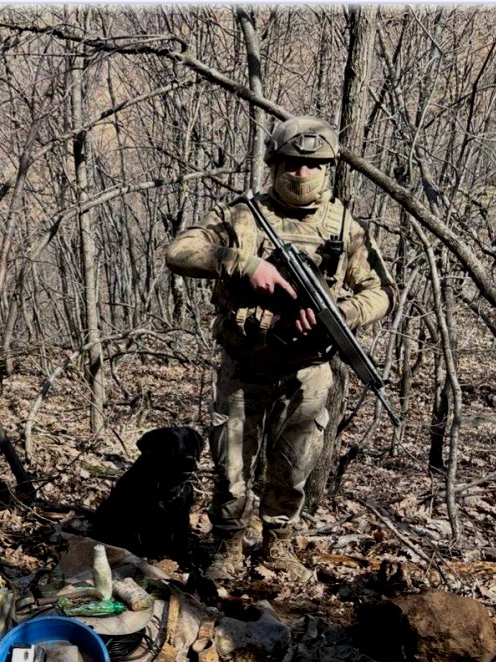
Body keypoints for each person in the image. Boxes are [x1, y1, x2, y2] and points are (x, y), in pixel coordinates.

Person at [165, 116, 396, 582]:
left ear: (328, 167)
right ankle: (227, 543)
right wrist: (241, 264)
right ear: (274, 163)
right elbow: (180, 251)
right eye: (291, 162)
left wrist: (342, 312)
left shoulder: (346, 227)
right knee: (231, 464)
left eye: (312, 165)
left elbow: (380, 293)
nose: (301, 173)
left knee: (294, 467)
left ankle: (277, 545)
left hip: (308, 370)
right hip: (246, 364)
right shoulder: (242, 216)